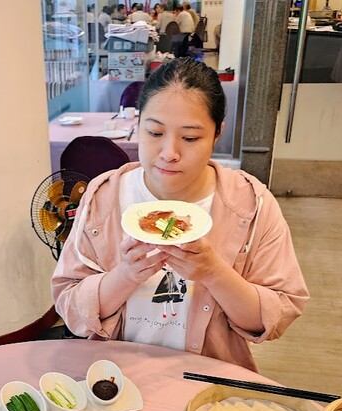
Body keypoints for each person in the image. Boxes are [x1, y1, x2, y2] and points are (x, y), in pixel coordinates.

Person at [51, 58, 309, 371]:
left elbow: (276, 316)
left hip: (207, 385)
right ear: (139, 125)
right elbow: (69, 304)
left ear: (217, 135)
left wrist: (213, 271)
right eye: (154, 132)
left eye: (190, 138)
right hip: (115, 380)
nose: (169, 152)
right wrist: (126, 275)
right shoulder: (102, 196)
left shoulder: (252, 205)